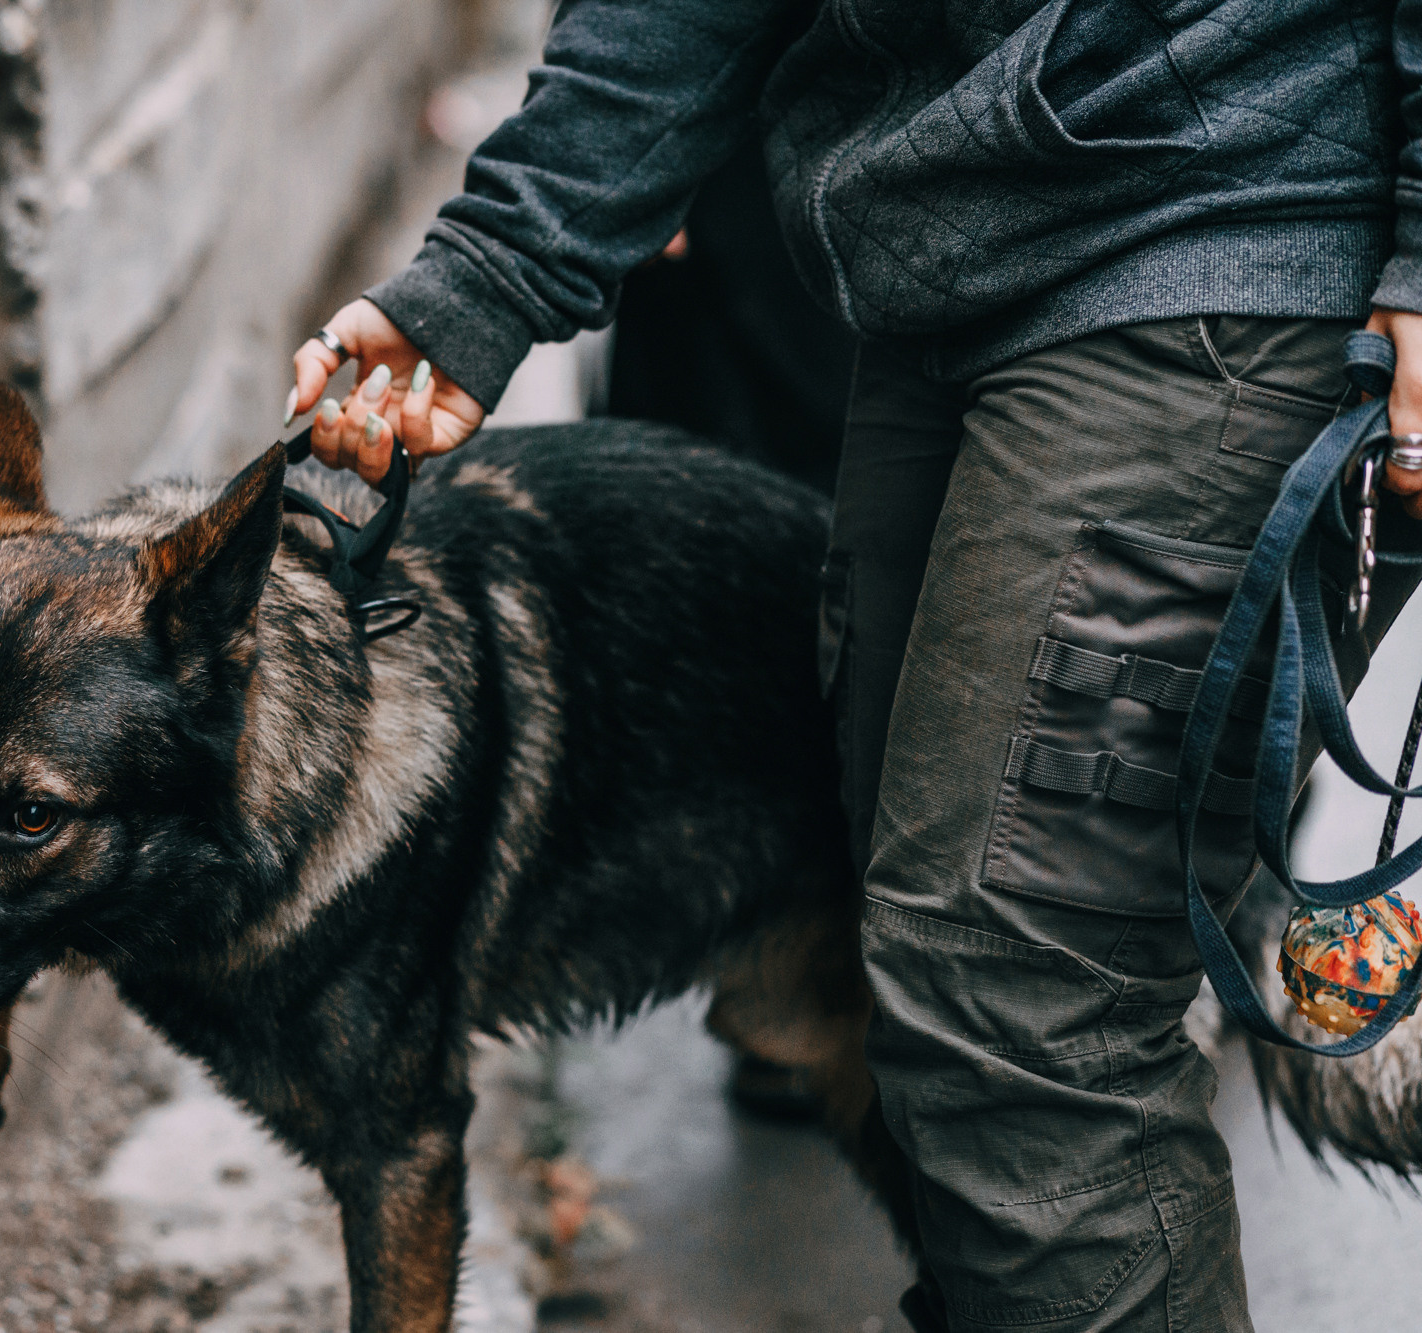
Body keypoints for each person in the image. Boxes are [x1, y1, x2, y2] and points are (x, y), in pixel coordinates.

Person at [286, 4, 1422, 1331]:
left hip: (1224, 216)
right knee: (911, 978)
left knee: (1014, 1007)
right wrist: (487, 270)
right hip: (939, 253)